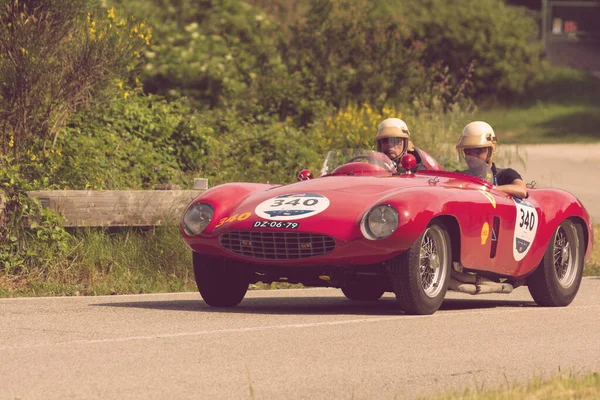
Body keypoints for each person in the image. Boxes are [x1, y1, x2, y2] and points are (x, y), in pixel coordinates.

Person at [456, 121, 527, 199]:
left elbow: (522, 190)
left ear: (491, 150)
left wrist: (489, 189)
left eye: (478, 151)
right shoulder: (460, 176)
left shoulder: (505, 175)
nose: (472, 156)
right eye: (468, 151)